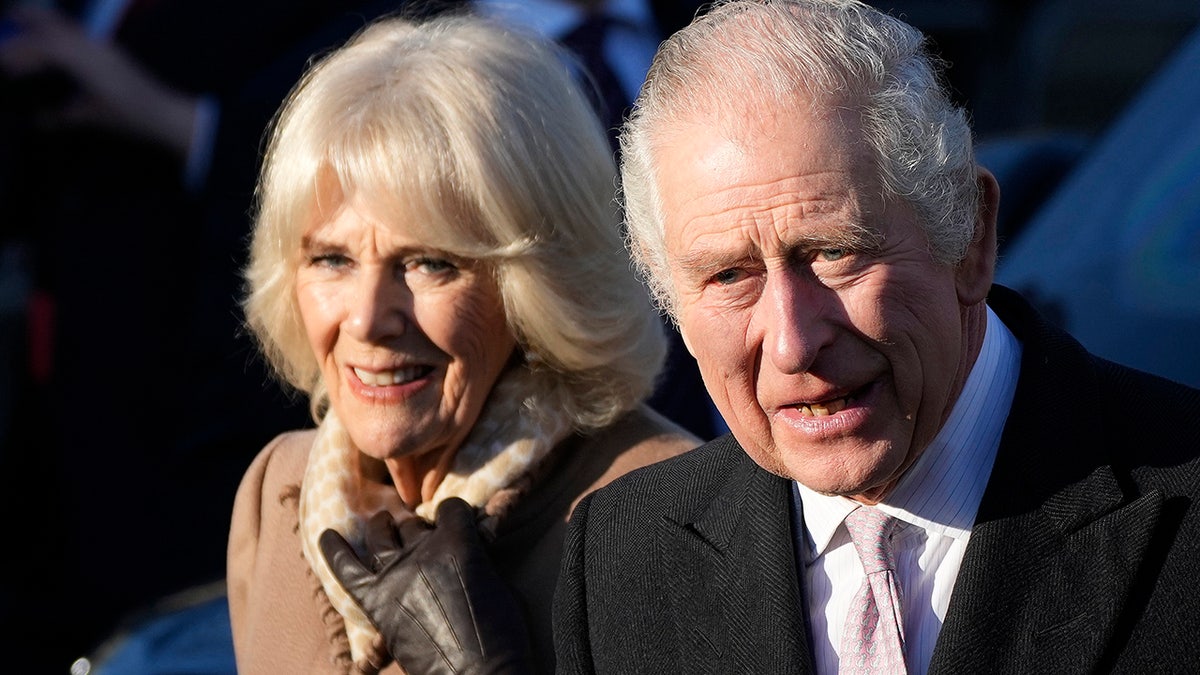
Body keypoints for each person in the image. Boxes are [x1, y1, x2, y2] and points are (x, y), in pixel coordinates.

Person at [551, 1, 1200, 673]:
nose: (792, 344)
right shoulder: (624, 556)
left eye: (835, 252)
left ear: (971, 238)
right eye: (727, 275)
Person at [225, 10, 699, 675]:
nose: (368, 318)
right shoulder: (278, 491)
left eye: (429, 262)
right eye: (332, 259)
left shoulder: (669, 515)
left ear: (536, 285)